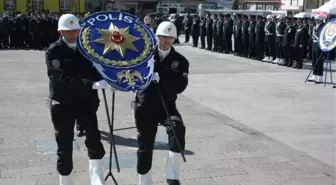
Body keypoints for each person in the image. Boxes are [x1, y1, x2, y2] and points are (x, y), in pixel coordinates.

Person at [45, 14, 106, 185]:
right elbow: (60, 80)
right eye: (68, 32)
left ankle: (97, 179)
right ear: (60, 32)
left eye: (75, 31)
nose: (73, 35)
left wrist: (103, 78)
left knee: (94, 139)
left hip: (84, 102)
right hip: (63, 104)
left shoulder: (86, 48)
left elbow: (94, 68)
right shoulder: (54, 51)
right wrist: (89, 84)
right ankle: (65, 181)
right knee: (64, 145)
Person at [134, 21, 189, 185]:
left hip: (167, 106)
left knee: (177, 128)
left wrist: (162, 79)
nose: (165, 41)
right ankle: (144, 180)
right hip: (146, 106)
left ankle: (172, 177)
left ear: (174, 39)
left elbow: (181, 86)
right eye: (162, 37)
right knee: (145, 144)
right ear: (156, 37)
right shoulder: (144, 56)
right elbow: (132, 77)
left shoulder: (180, 61)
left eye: (169, 38)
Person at [308, 15, 325, 83]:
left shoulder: (323, 26)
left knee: (319, 60)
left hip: (320, 44)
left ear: (320, 20)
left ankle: (320, 76)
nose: (315, 20)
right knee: (314, 60)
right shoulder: (315, 26)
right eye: (315, 19)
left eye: (317, 19)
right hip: (314, 43)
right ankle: (314, 74)